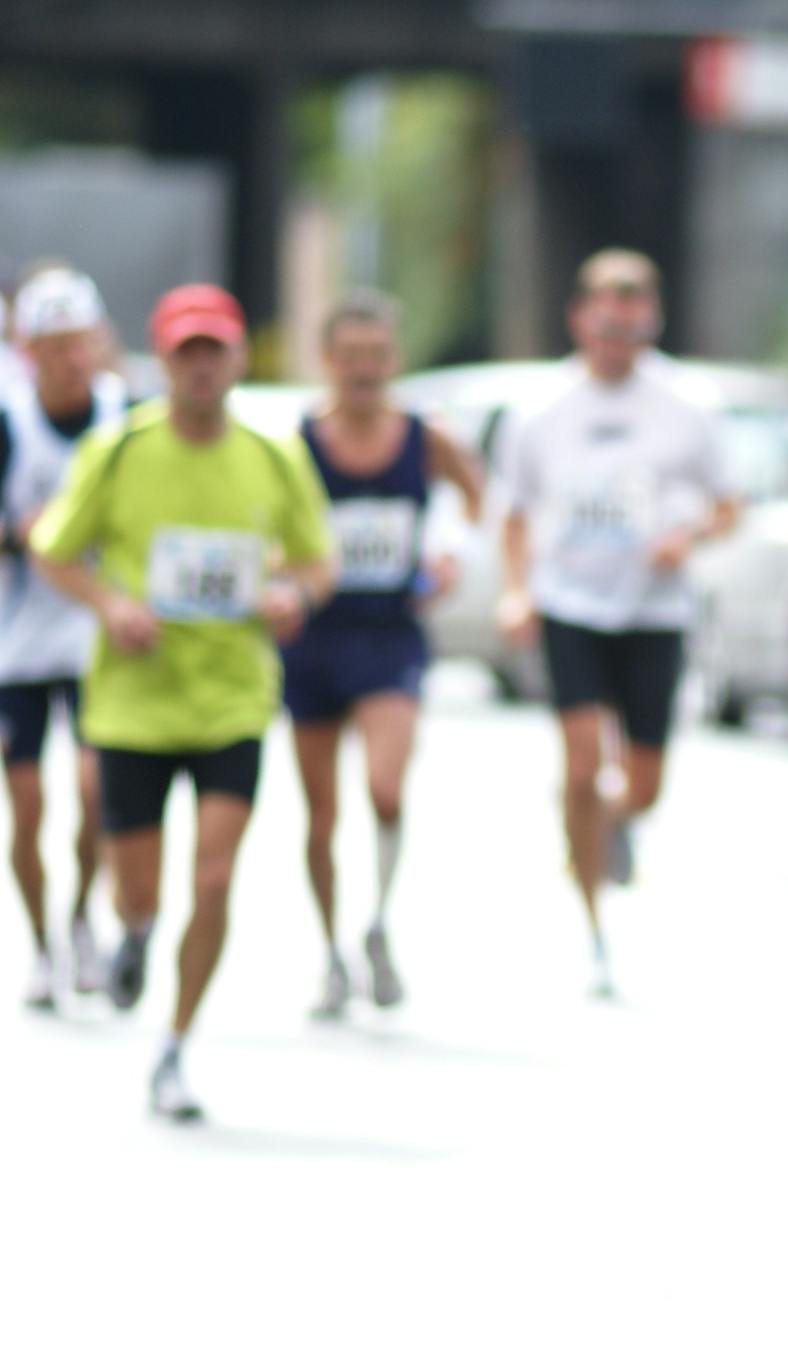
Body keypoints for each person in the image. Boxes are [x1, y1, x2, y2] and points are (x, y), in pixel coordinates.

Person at [30, 283, 335, 1120]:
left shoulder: (274, 455)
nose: (201, 367)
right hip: (135, 702)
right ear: (161, 361)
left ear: (237, 358)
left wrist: (294, 599)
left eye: (216, 350)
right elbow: (52, 548)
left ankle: (174, 1041)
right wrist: (110, 605)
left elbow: (318, 559)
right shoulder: (120, 449)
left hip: (232, 698)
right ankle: (133, 933)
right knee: (144, 890)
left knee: (215, 872)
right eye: (185, 351)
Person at [496, 249, 738, 997]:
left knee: (645, 783)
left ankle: (609, 819)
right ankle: (594, 925)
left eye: (632, 316)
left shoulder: (686, 408)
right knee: (577, 760)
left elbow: (729, 502)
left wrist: (686, 535)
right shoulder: (539, 410)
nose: (617, 331)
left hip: (653, 611)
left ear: (651, 321)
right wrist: (514, 591)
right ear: (580, 319)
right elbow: (511, 511)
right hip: (571, 602)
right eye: (605, 316)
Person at [284, 290, 484, 1019]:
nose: (365, 371)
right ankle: (330, 948)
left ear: (394, 361)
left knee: (386, 786)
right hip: (314, 635)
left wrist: (449, 556)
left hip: (390, 631)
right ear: (328, 360)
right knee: (320, 810)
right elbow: (268, 520)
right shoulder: (298, 442)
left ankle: (378, 921)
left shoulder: (424, 438)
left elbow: (473, 496)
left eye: (377, 357)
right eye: (351, 357)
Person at [0, 267, 126, 1007]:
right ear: (29, 351)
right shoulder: (11, 422)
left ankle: (81, 916)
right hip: (19, 636)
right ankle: (42, 939)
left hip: (99, 631)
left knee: (93, 787)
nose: (68, 361)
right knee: (27, 801)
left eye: (78, 345)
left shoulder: (124, 416)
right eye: (52, 348)